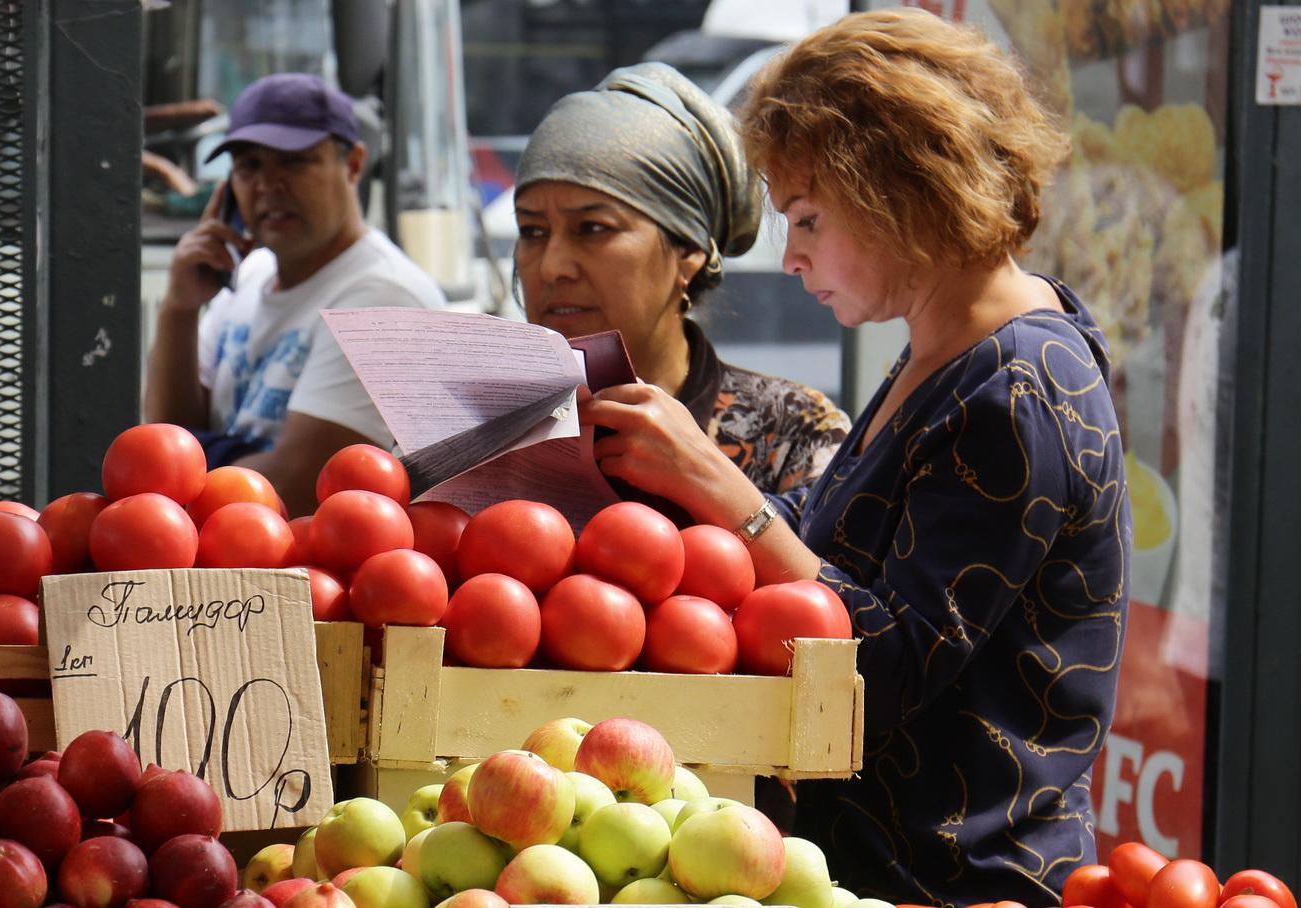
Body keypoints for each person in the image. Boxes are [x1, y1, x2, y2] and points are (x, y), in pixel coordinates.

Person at [577, 11, 1130, 905]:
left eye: (806, 218)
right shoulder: (947, 347)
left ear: (902, 188)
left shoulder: (1017, 388)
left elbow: (884, 667)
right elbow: (837, 540)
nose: (790, 257)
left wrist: (723, 492)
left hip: (958, 881)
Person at [511, 63, 848, 495]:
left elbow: (819, 566)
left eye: (593, 228)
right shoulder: (479, 427)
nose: (552, 266)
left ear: (689, 252)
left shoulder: (790, 434)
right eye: (532, 232)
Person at [146, 73, 443, 513]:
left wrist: (192, 465)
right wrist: (179, 309)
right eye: (249, 166)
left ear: (354, 164)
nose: (269, 184)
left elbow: (296, 485)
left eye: (294, 161)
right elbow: (163, 448)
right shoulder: (244, 275)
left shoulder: (384, 299)